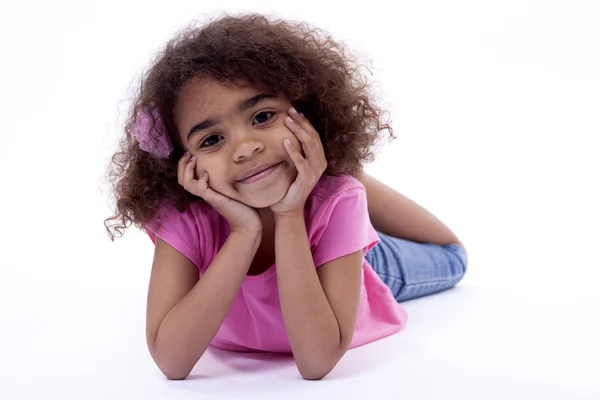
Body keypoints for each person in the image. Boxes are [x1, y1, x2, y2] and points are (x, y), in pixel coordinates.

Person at [104, 13, 467, 381]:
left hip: (355, 264)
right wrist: (244, 232)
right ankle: (327, 170)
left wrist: (292, 212)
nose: (245, 148)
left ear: (305, 113)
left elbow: (316, 363)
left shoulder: (338, 204)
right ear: (184, 164)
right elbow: (171, 361)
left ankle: (342, 175)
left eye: (262, 117)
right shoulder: (183, 216)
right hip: (317, 224)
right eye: (211, 140)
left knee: (453, 259)